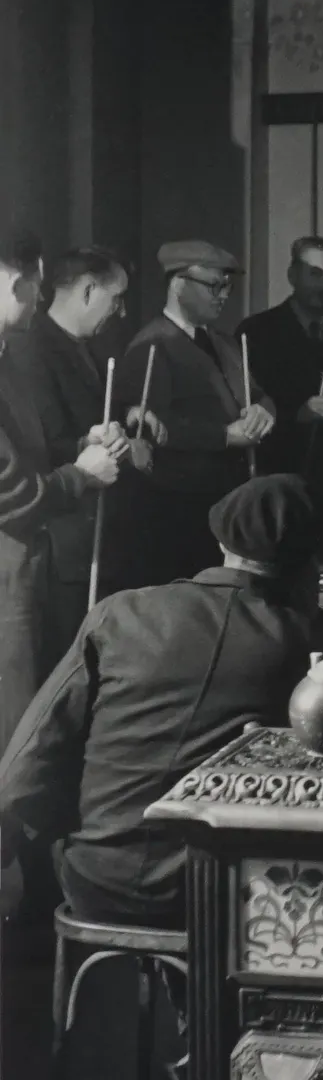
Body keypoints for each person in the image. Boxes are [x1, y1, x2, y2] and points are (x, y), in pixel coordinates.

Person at [0, 475, 323, 930]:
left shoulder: (121, 612)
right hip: (233, 891)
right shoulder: (321, 646)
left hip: (95, 878)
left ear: (221, 540)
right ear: (312, 565)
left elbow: (35, 752)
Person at [1, 231, 127, 753]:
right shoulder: (22, 353)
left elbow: (26, 455)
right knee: (16, 727)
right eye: (33, 283)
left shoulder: (6, 359)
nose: (39, 294)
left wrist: (83, 445)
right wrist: (83, 475)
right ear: (15, 283)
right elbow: (10, 490)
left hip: (25, 566)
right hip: (10, 573)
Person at [7, 247, 162, 669]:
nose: (122, 311)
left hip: (88, 534)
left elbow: (74, 429)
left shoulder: (81, 346)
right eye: (117, 298)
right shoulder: (31, 351)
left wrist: (109, 427)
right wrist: (102, 451)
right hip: (61, 543)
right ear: (90, 290)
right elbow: (43, 450)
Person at [107, 242, 276, 592]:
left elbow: (259, 395)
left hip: (225, 506)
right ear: (179, 284)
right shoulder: (150, 347)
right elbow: (152, 430)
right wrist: (225, 436)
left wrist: (264, 411)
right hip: (180, 512)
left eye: (226, 286)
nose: (223, 295)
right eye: (214, 286)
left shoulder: (225, 343)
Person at [238, 236, 323, 549]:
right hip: (276, 479)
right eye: (315, 274)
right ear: (292, 275)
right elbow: (243, 405)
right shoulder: (255, 332)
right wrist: (295, 414)